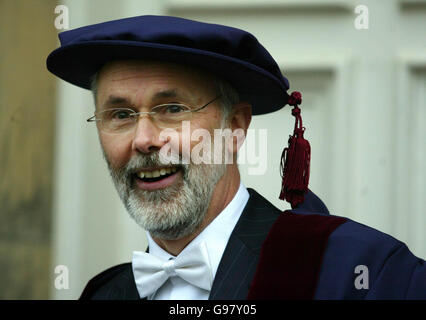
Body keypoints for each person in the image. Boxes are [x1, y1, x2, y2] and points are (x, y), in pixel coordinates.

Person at [47, 15, 425, 300]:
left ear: (236, 126)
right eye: (121, 115)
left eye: (173, 108)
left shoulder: (356, 270)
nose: (144, 139)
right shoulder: (104, 294)